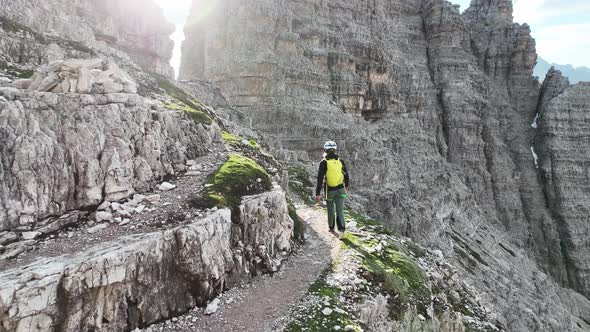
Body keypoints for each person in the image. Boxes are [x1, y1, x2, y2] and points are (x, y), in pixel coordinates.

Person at [315, 140, 350, 240]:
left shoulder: (323, 162)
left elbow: (320, 179)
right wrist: (346, 187)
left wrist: (318, 193)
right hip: (341, 190)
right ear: (335, 149)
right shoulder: (340, 161)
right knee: (340, 210)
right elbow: (346, 176)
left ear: (325, 149)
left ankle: (331, 228)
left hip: (329, 191)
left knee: (331, 209)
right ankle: (342, 231)